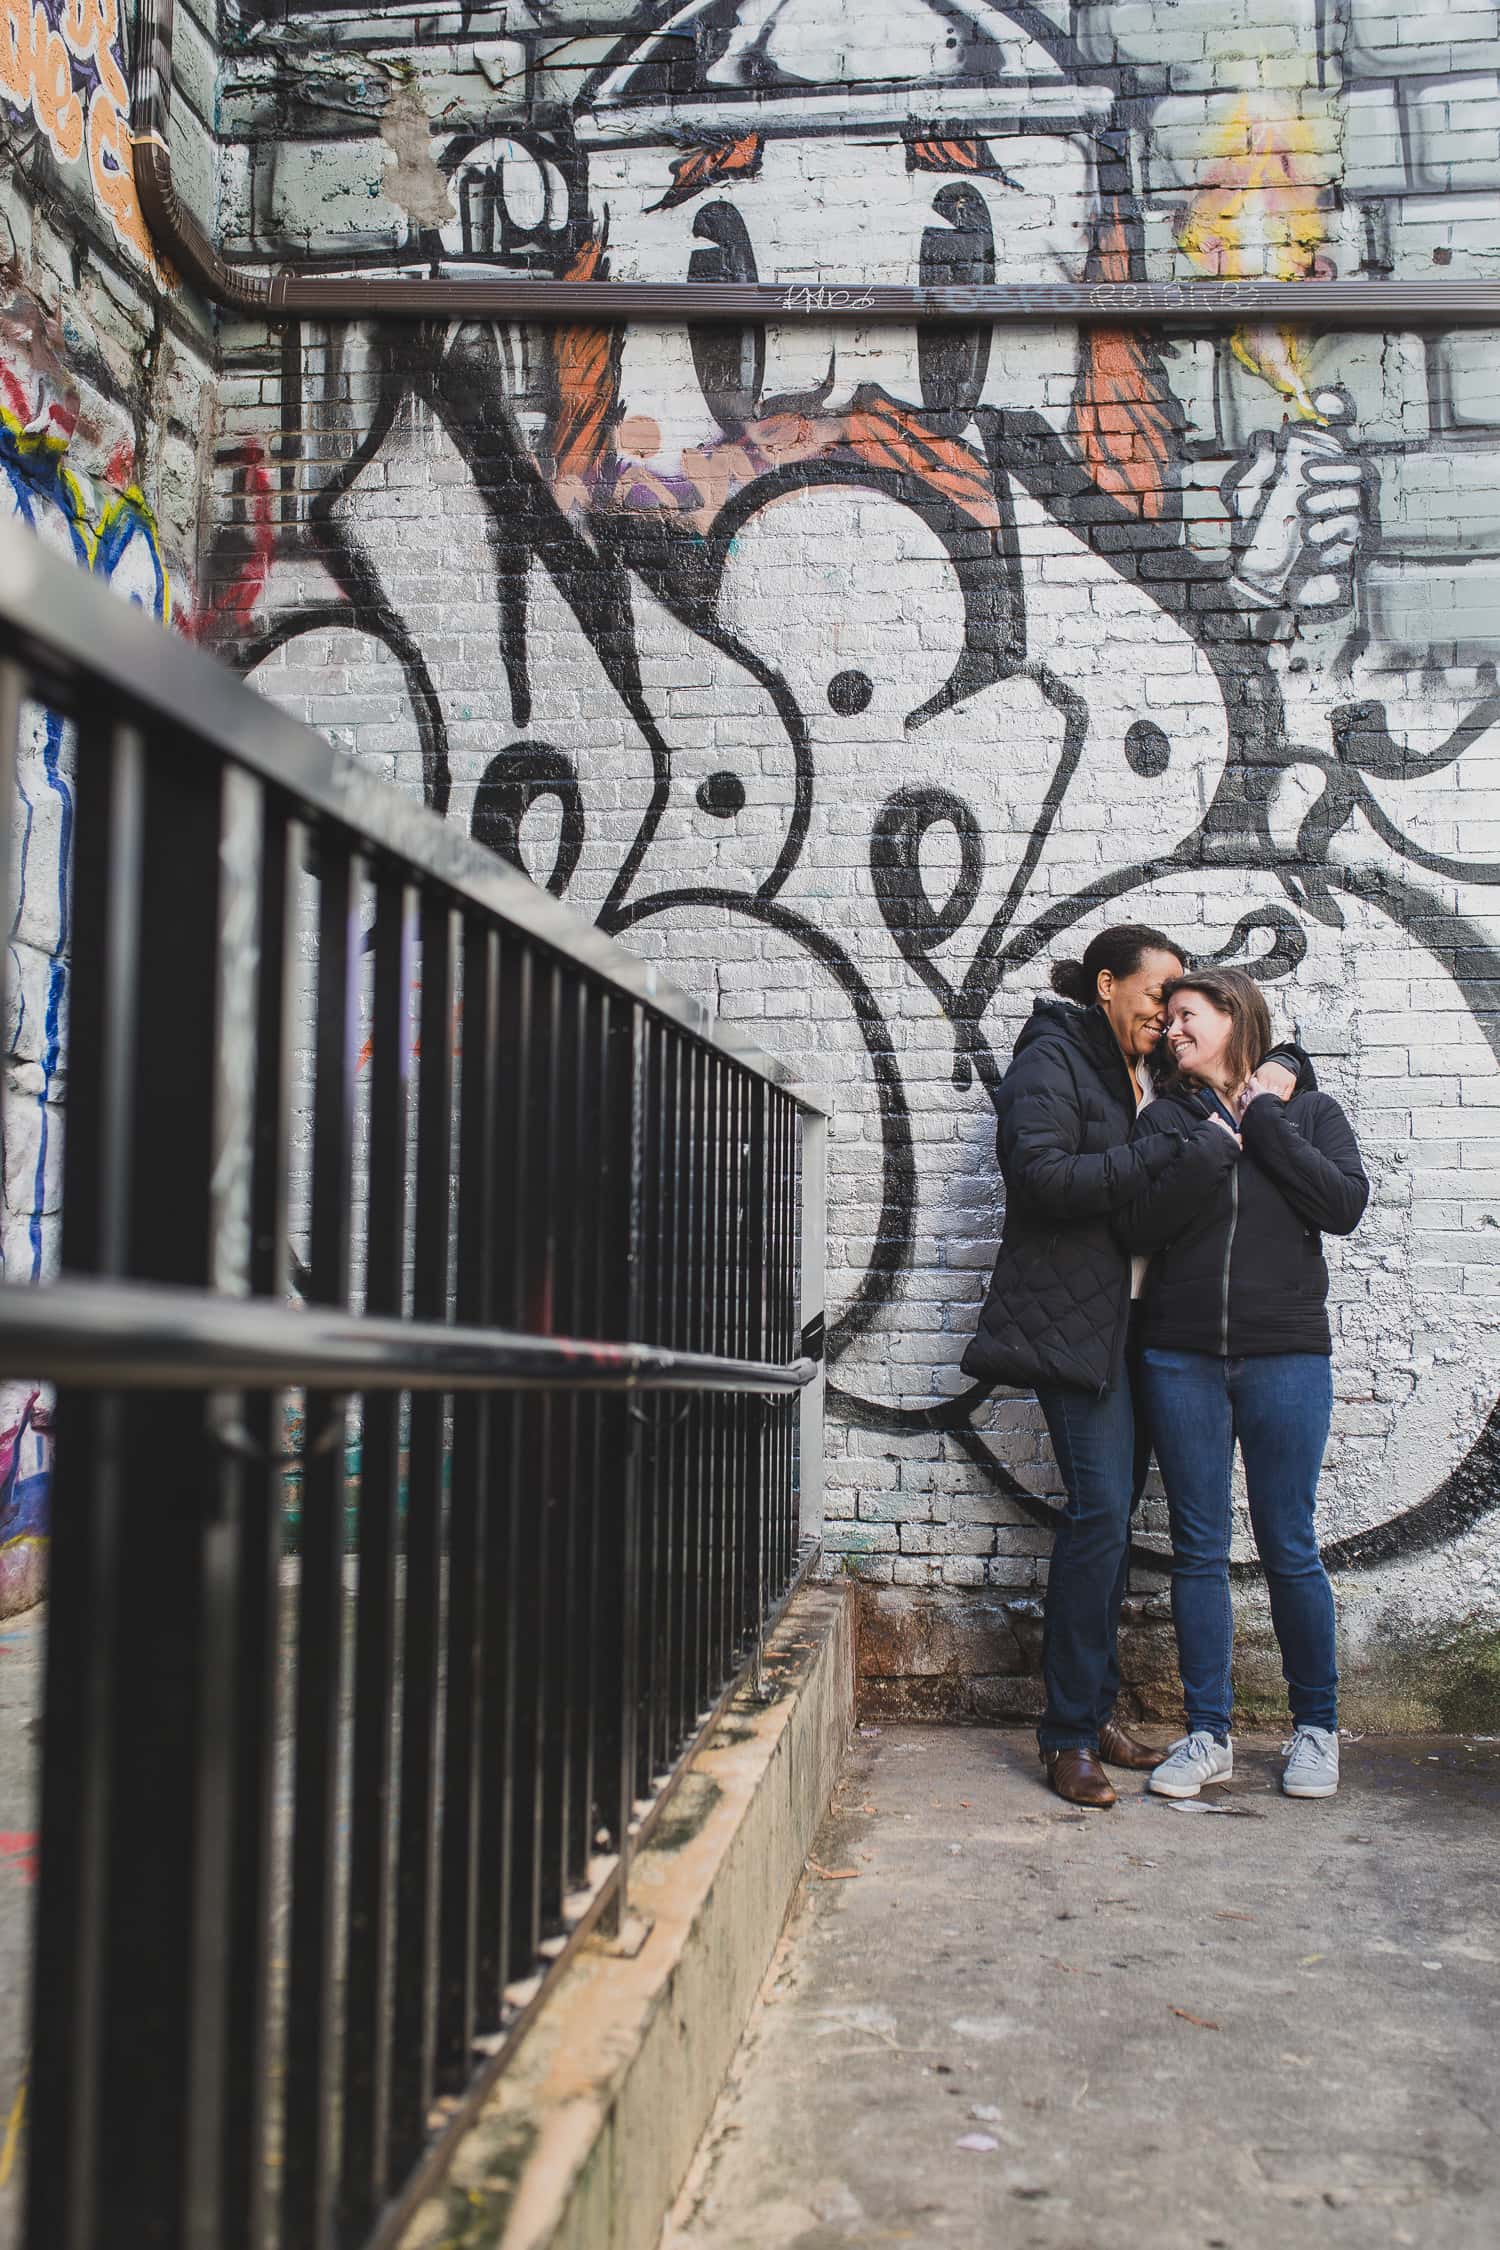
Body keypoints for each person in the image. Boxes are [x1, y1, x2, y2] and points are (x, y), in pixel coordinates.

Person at [963, 925, 1264, 1809]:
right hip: (1073, 1327)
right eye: (1154, 995)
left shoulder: (1145, 1072)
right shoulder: (1053, 1060)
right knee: (1097, 1513)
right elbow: (1041, 1177)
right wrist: (1157, 1151)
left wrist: (1280, 1068)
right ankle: (1065, 1735)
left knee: (1114, 1515)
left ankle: (1092, 1713)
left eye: (1178, 1006)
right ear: (1105, 985)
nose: (1165, 1015)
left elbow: (1241, 1049)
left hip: (1134, 1330)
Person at [1117, 968, 1369, 1801]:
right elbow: (1140, 1224)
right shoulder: (1167, 1118)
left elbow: (1340, 1204)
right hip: (1179, 1355)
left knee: (1289, 1543)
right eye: (1168, 1020)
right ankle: (1208, 1734)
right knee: (1198, 1550)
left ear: (1234, 1016)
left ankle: (1315, 1728)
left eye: (1187, 1016)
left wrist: (1263, 1116)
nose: (1172, 1031)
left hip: (1286, 1354)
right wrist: (1216, 1139)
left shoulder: (1310, 1111)